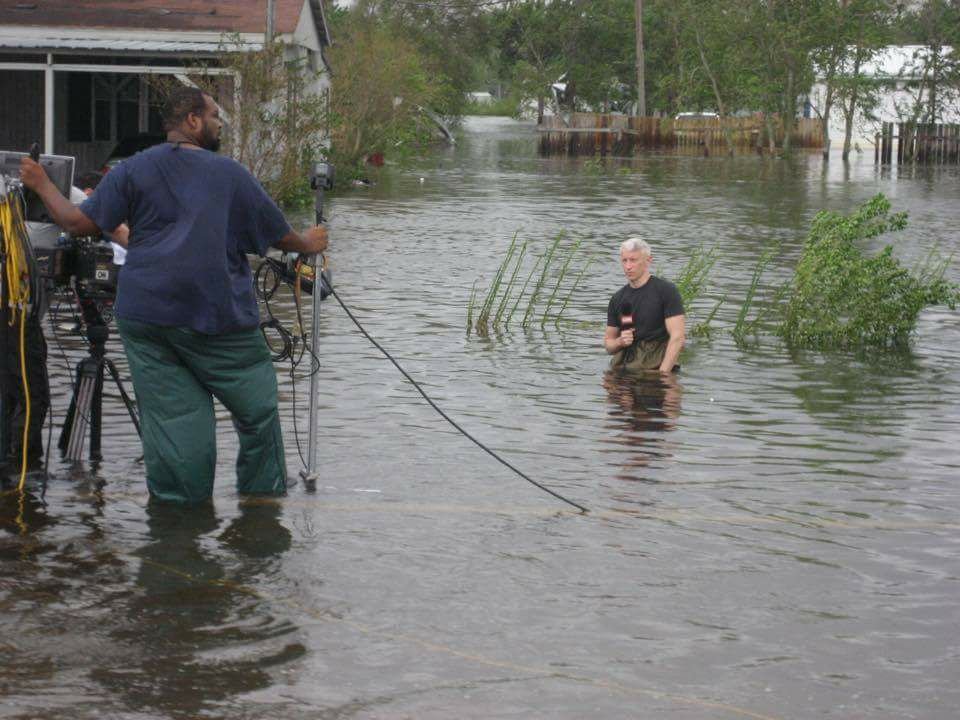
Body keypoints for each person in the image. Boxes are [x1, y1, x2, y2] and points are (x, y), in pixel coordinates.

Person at [19, 86, 328, 504]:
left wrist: (40, 183)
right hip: (217, 320)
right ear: (193, 121)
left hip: (147, 320)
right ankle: (260, 509)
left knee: (177, 423)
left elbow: (76, 222)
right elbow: (280, 236)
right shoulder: (229, 174)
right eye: (215, 115)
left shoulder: (131, 170)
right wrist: (311, 242)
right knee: (256, 408)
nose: (220, 123)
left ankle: (177, 528)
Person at [604, 237, 685, 373]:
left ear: (648, 261)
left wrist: (663, 375)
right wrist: (620, 342)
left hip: (655, 369)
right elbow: (608, 344)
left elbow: (678, 337)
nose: (628, 266)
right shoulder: (618, 298)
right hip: (623, 369)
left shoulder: (666, 291)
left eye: (633, 260)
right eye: (624, 260)